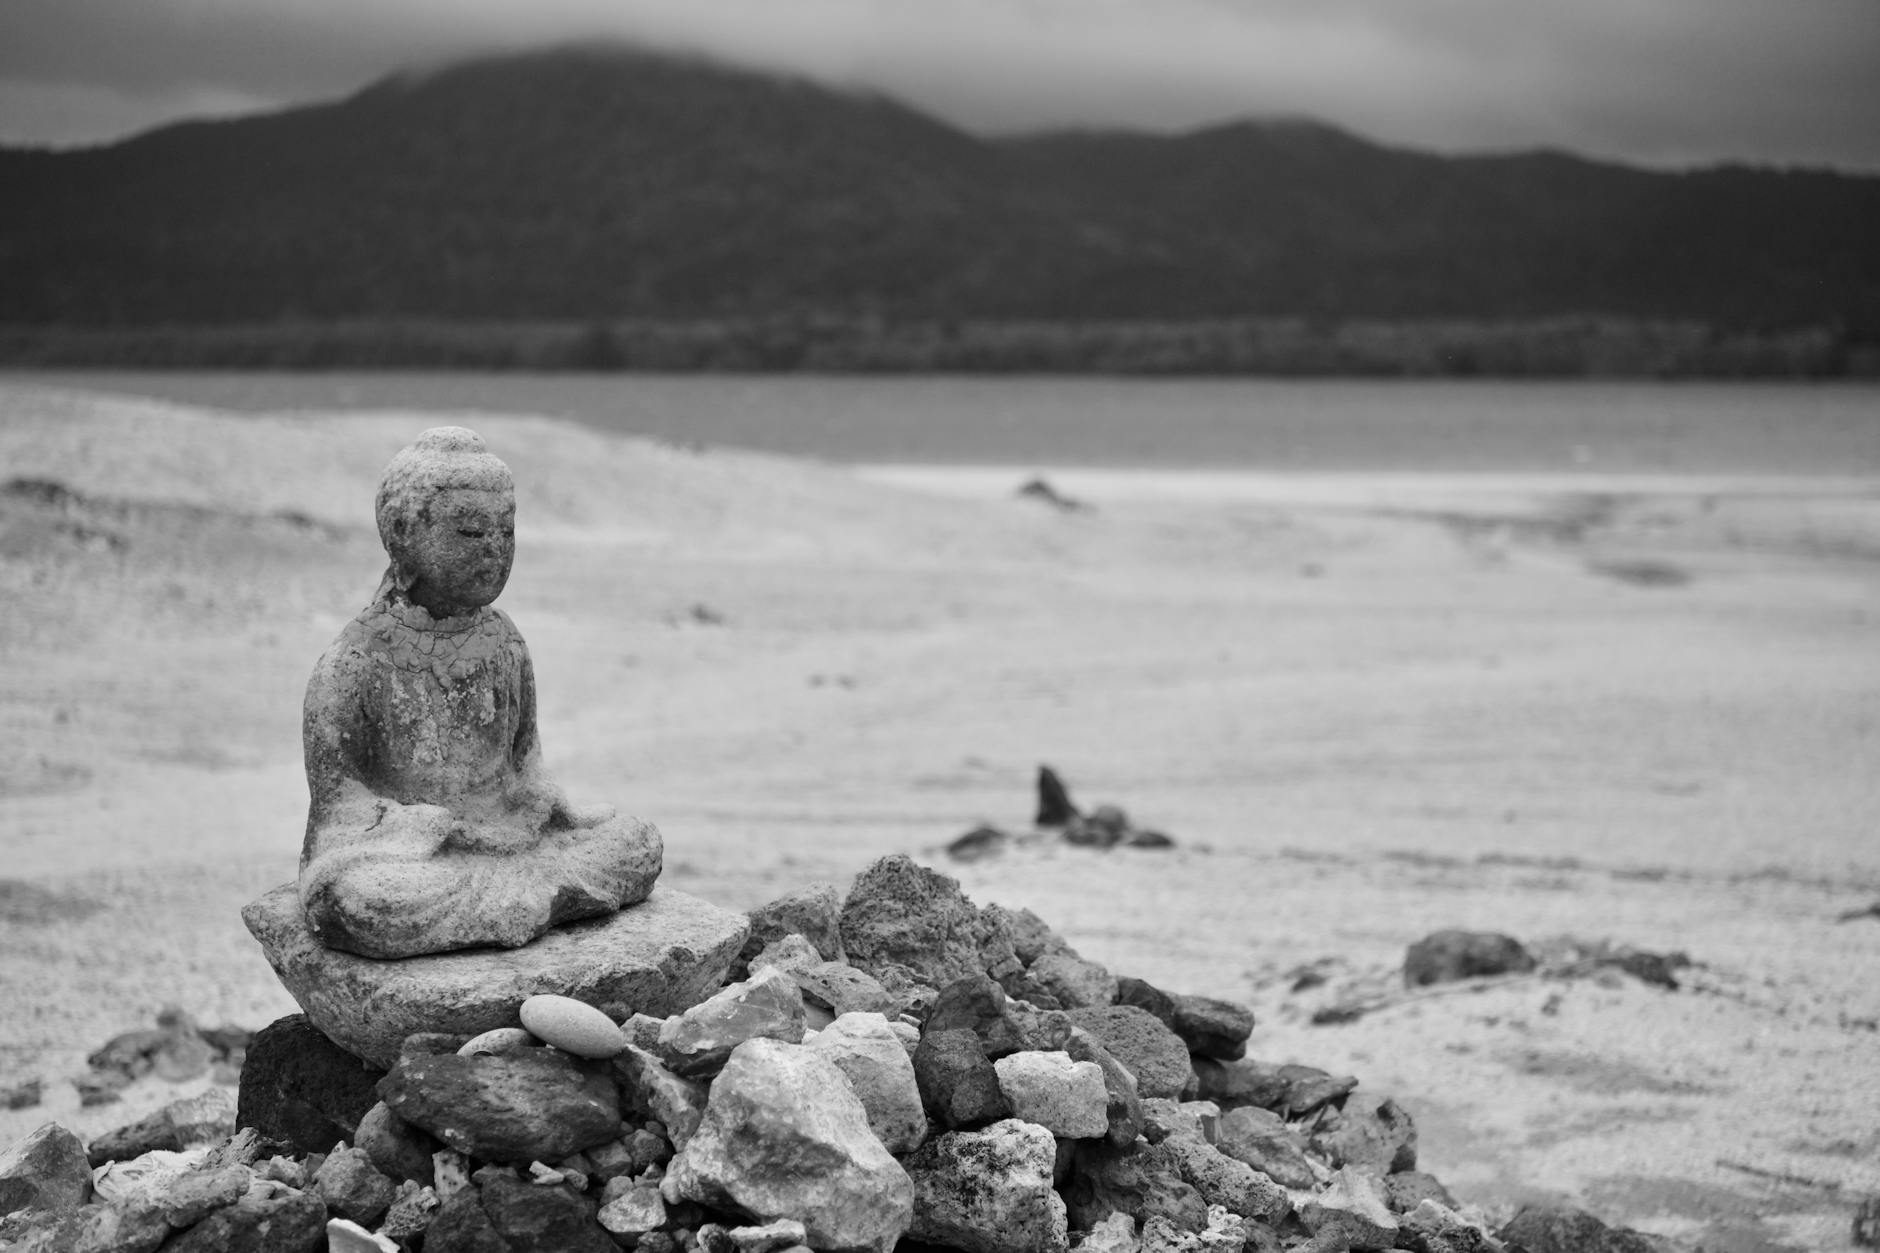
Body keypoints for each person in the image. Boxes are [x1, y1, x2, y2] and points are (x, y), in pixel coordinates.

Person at [297, 427, 660, 959]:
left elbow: (525, 765)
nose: (494, 550)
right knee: (369, 899)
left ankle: (526, 897)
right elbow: (339, 806)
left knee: (634, 842)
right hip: (421, 855)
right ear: (402, 533)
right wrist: (425, 825)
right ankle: (538, 899)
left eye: (506, 531)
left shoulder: (504, 641)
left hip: (512, 840)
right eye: (470, 532)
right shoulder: (357, 660)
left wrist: (540, 802)